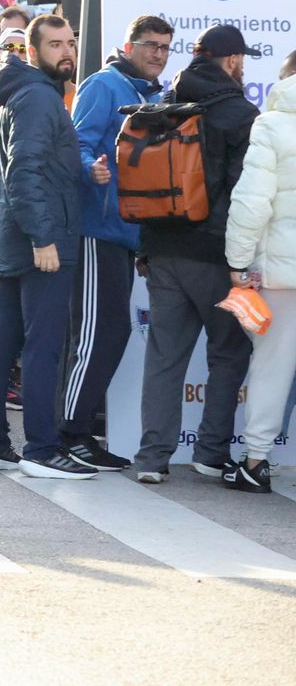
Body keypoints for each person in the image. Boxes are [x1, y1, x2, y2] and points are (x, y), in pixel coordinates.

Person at [134, 25, 259, 483]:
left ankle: (151, 459)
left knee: (165, 356)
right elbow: (242, 194)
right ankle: (210, 452)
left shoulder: (168, 103)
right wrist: (239, 262)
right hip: (214, 254)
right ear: (231, 61)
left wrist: (147, 247)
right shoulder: (240, 114)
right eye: (241, 59)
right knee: (228, 352)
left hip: (163, 250)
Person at [0, 15, 93, 478]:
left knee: (3, 341)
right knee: (41, 346)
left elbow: (35, 168)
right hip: (40, 239)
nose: (67, 51)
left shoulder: (23, 94)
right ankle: (41, 449)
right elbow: (24, 171)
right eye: (56, 44)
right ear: (34, 50)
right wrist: (44, 237)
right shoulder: (40, 96)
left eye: (70, 42)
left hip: (14, 235)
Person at [57, 15, 172, 469]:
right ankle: (68, 435)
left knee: (111, 331)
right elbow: (75, 143)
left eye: (165, 47)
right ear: (128, 45)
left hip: (126, 233)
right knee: (92, 335)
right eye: (150, 45)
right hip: (94, 228)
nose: (158, 54)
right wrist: (91, 169)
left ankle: (81, 431)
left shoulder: (153, 95)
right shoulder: (104, 85)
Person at [222, 49, 296, 493]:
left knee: (272, 367)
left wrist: (237, 263)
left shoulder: (271, 125)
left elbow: (251, 203)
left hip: (282, 274)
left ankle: (255, 462)